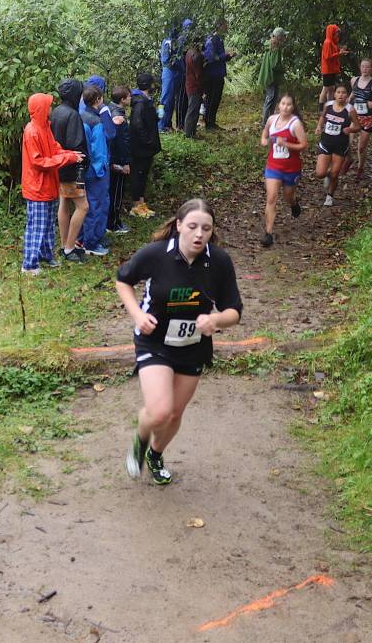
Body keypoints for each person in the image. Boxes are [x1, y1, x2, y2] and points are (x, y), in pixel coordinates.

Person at [117, 199, 242, 485]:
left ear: (212, 232)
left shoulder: (219, 262)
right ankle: (141, 438)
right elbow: (123, 280)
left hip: (193, 346)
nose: (199, 234)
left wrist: (216, 321)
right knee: (159, 411)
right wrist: (137, 314)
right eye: (193, 227)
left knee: (174, 415)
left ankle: (156, 455)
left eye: (206, 229)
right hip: (155, 341)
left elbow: (234, 311)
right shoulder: (156, 255)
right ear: (179, 226)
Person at [20, 92, 84, 275]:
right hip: (37, 187)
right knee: (37, 226)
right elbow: (38, 162)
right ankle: (29, 264)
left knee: (48, 224)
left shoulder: (45, 127)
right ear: (40, 109)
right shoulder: (32, 131)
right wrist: (67, 158)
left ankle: (46, 255)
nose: (50, 110)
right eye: (47, 106)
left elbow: (54, 148)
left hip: (49, 185)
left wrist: (69, 155)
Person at [259, 94, 308, 247]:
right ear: (279, 105)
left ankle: (293, 204)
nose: (285, 107)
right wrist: (264, 140)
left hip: (291, 168)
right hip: (273, 167)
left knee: (288, 196)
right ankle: (268, 233)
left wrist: (287, 145)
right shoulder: (272, 120)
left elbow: (304, 145)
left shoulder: (295, 124)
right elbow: (265, 133)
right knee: (271, 198)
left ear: (292, 107)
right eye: (283, 104)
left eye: (289, 104)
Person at [50, 78, 88, 263]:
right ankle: (69, 247)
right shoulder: (72, 115)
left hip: (59, 166)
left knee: (64, 203)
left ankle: (65, 245)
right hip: (74, 168)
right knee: (83, 206)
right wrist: (83, 165)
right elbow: (76, 145)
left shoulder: (56, 111)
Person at [315, 83, 360, 207]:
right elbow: (322, 117)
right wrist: (319, 126)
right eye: (338, 92)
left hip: (340, 144)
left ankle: (329, 196)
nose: (341, 95)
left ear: (347, 95)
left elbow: (357, 126)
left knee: (335, 173)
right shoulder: (328, 105)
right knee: (320, 173)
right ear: (334, 94)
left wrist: (350, 130)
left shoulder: (350, 109)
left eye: (343, 92)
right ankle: (327, 176)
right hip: (326, 142)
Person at [80, 85, 111, 256]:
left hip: (83, 168)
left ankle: (86, 236)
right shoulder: (96, 121)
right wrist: (100, 169)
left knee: (86, 204)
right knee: (96, 204)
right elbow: (98, 150)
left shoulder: (81, 116)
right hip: (95, 169)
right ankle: (91, 242)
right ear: (98, 100)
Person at [129, 73, 161, 218]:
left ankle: (142, 203)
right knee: (138, 175)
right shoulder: (140, 103)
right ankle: (136, 205)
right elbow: (137, 124)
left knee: (143, 175)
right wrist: (147, 141)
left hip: (146, 147)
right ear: (150, 85)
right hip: (141, 148)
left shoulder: (145, 100)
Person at [346, 58, 372, 178]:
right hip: (355, 117)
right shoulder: (354, 80)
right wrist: (348, 100)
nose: (365, 69)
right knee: (347, 142)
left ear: (371, 68)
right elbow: (353, 92)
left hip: (368, 119)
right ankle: (349, 159)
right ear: (360, 67)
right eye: (363, 67)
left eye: (367, 67)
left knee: (361, 147)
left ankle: (360, 168)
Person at [201, 18, 235, 131]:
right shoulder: (213, 39)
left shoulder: (218, 39)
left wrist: (228, 56)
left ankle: (211, 121)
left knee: (214, 98)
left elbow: (219, 57)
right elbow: (211, 57)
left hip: (217, 73)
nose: (227, 27)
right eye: (225, 25)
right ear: (219, 26)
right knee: (212, 98)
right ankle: (209, 123)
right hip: (213, 74)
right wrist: (224, 56)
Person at [107, 85, 132, 234]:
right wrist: (124, 162)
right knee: (116, 192)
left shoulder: (109, 109)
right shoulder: (118, 117)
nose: (130, 98)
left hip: (112, 159)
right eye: (128, 96)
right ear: (122, 99)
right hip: (117, 160)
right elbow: (121, 142)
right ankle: (113, 224)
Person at [257, 27, 287, 128]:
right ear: (279, 37)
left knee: (271, 99)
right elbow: (275, 65)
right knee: (270, 100)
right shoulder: (276, 48)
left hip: (268, 77)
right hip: (272, 78)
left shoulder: (269, 45)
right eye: (283, 36)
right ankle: (265, 123)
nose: (284, 39)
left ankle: (269, 121)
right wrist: (284, 68)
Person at [318, 24, 349, 111]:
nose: (337, 35)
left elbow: (333, 54)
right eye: (336, 33)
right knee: (325, 89)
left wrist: (340, 51)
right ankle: (321, 109)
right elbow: (328, 57)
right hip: (327, 70)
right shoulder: (327, 42)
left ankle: (329, 106)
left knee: (331, 88)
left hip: (332, 69)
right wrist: (339, 54)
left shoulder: (332, 42)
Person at [159, 25, 183, 132]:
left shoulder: (177, 41)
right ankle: (160, 124)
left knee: (171, 101)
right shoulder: (168, 42)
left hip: (176, 73)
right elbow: (166, 60)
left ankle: (167, 124)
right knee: (164, 101)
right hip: (169, 73)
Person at [183, 34, 205, 138]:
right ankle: (189, 134)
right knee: (193, 110)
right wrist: (203, 90)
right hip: (194, 86)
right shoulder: (197, 56)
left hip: (190, 84)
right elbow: (199, 75)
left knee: (193, 109)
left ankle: (191, 132)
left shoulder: (189, 52)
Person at [173, 18, 193, 131]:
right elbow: (179, 58)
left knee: (185, 98)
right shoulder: (181, 40)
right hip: (181, 74)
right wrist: (183, 71)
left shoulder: (189, 40)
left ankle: (184, 123)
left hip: (187, 73)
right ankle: (180, 124)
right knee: (180, 99)